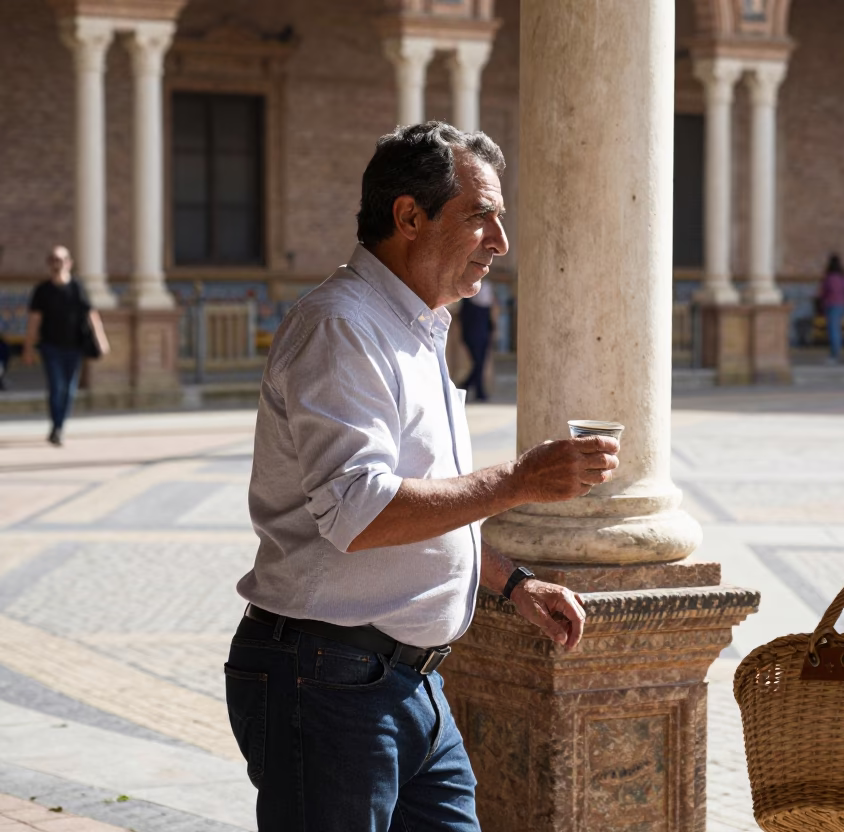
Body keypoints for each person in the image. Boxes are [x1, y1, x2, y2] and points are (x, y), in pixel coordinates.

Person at [226, 122, 620, 831]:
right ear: (409, 216)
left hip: (406, 685)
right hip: (328, 681)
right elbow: (361, 512)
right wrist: (521, 480)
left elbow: (419, 504)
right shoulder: (343, 328)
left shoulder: (413, 327)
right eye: (480, 217)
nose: (501, 242)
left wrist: (513, 583)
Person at [22, 246, 110, 445]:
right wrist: (28, 348)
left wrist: (101, 340)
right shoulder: (42, 291)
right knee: (56, 386)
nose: (57, 264)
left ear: (69, 263)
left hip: (74, 346)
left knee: (69, 389)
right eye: (54, 260)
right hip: (50, 347)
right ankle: (56, 426)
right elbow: (34, 321)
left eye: (61, 259)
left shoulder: (78, 288)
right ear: (49, 264)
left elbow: (92, 315)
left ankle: (60, 425)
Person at [458, 276, 494, 400]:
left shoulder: (485, 305)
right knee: (478, 363)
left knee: (480, 364)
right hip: (472, 336)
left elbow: (489, 319)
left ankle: (475, 390)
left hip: (483, 335)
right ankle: (468, 387)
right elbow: (464, 320)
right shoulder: (468, 301)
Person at [820, 254, 844, 362]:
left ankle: (835, 354)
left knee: (833, 329)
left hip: (831, 305)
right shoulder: (843, 278)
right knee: (837, 328)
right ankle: (837, 351)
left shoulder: (829, 278)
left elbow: (823, 292)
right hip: (842, 304)